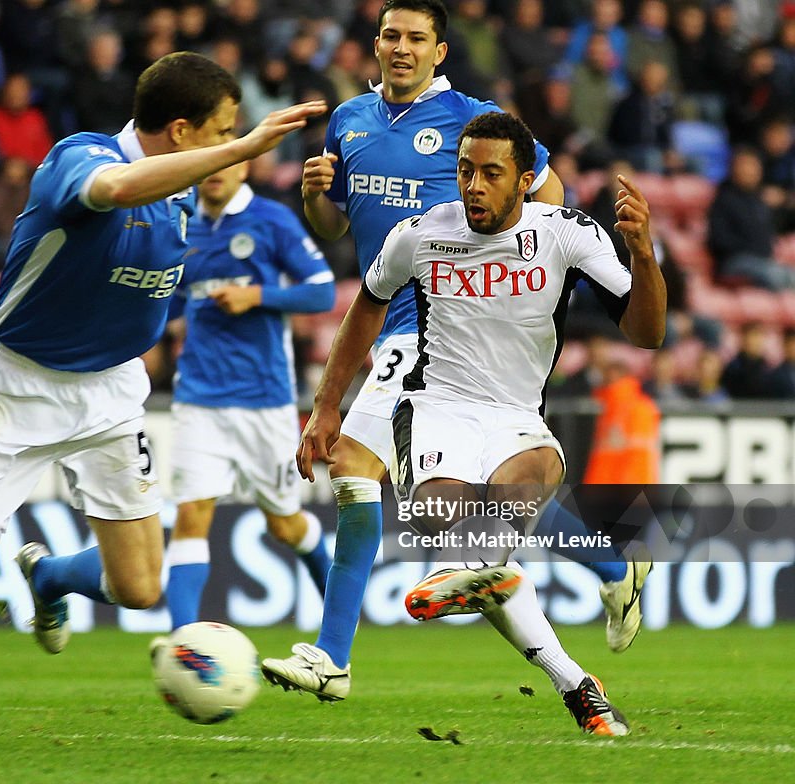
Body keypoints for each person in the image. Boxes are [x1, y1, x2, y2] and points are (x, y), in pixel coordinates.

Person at [0, 51, 325, 750]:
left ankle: (51, 576)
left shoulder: (188, 196)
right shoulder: (80, 158)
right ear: (181, 132)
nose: (232, 146)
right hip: (15, 386)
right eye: (223, 131)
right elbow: (117, 189)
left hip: (112, 393)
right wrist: (247, 148)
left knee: (141, 586)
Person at [261, 0, 646, 705]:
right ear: (373, 45)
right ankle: (609, 574)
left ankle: (332, 655)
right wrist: (319, 200)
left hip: (447, 328)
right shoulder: (348, 121)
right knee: (451, 507)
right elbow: (339, 230)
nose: (400, 48)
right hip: (388, 318)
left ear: (440, 51)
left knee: (373, 477)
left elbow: (547, 205)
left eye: (415, 38)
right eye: (389, 36)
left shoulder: (473, 121)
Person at [162, 159, 336, 630]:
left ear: (243, 169)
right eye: (210, 160)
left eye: (229, 160)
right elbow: (170, 303)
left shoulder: (271, 220)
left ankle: (340, 617)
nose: (216, 170)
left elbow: (320, 293)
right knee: (191, 514)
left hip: (265, 401)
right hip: (198, 398)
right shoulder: (184, 228)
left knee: (285, 524)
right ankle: (184, 643)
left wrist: (256, 297)